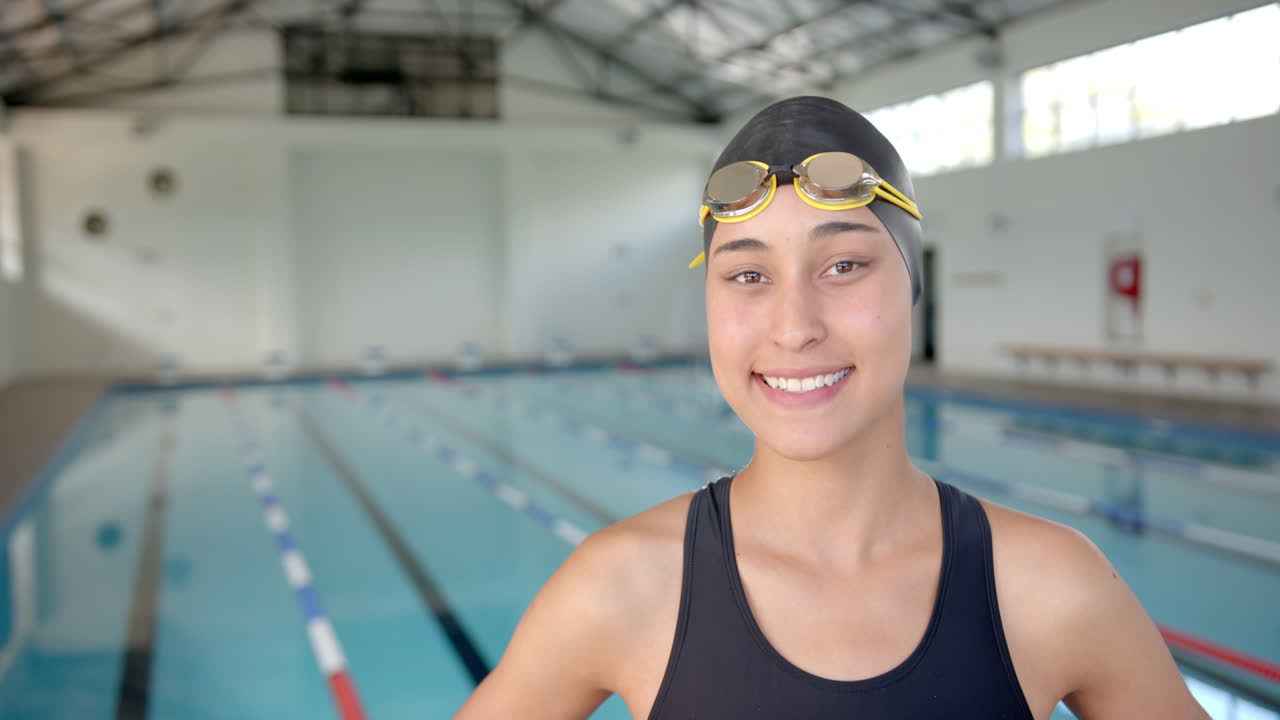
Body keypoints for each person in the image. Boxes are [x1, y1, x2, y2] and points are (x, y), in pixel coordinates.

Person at [454, 96, 1208, 719]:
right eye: (748, 275)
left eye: (844, 264)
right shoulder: (620, 587)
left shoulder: (1049, 587)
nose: (795, 325)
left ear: (911, 283)